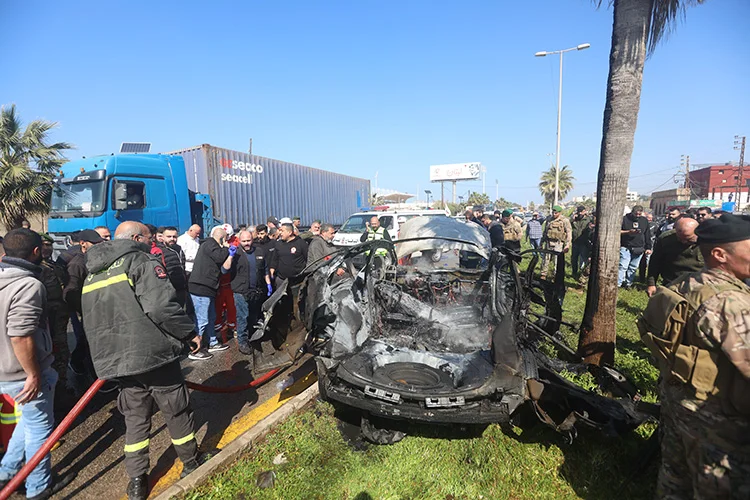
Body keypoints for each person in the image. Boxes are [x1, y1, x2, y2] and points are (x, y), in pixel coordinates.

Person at [81, 221, 202, 500]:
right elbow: (161, 306)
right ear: (136, 238)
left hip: (117, 360)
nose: (153, 242)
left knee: (135, 418)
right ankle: (191, 462)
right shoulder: (141, 261)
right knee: (175, 409)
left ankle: (137, 480)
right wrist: (189, 333)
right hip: (153, 354)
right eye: (150, 238)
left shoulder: (94, 273)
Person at [638, 213, 750, 498]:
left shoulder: (684, 284)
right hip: (717, 420)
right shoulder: (730, 303)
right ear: (719, 254)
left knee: (675, 477)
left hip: (678, 405)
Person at [0, 229, 60, 500]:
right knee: (39, 431)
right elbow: (20, 335)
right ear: (36, 252)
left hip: (5, 372)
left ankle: (6, 474)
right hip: (23, 374)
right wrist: (33, 374)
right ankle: (38, 487)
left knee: (26, 425)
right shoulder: (28, 285)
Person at [187, 225, 234, 359]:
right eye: (226, 239)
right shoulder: (209, 244)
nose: (227, 242)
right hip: (201, 287)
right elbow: (219, 258)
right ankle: (196, 349)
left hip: (209, 288)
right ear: (221, 238)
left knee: (211, 316)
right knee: (202, 319)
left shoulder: (210, 245)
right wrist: (225, 247)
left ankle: (212, 342)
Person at [63, 229, 103, 379]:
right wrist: (84, 309)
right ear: (83, 244)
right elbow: (70, 292)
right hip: (86, 311)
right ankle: (92, 376)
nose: (98, 246)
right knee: (88, 344)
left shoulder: (93, 258)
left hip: (96, 309)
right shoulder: (77, 264)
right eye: (95, 243)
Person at [39, 233, 71, 401]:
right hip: (47, 316)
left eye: (49, 245)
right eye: (43, 245)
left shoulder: (53, 265)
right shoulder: (36, 267)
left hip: (60, 314)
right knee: (53, 350)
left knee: (62, 349)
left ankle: (62, 382)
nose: (47, 248)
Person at [231, 230, 272, 355]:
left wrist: (268, 283)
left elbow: (264, 269)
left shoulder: (259, 251)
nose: (247, 243)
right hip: (241, 290)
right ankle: (242, 342)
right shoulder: (236, 253)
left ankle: (252, 337)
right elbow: (224, 269)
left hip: (256, 290)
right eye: (244, 241)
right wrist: (230, 256)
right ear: (239, 241)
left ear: (252, 240)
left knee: (253, 315)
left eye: (248, 240)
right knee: (242, 316)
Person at [646, 217, 703, 297]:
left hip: (699, 286)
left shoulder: (709, 241)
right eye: (680, 238)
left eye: (688, 239)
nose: (683, 242)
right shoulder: (666, 239)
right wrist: (651, 284)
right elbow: (655, 262)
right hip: (672, 283)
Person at [619, 205, 652, 288]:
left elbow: (647, 234)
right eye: (636, 214)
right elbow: (618, 231)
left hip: (639, 247)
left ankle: (628, 283)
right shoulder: (624, 219)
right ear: (632, 212)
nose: (637, 216)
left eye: (639, 214)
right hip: (626, 246)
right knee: (623, 266)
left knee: (633, 267)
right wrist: (628, 232)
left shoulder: (644, 220)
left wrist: (648, 247)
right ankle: (618, 284)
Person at [214, 224, 237, 336]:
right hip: (218, 282)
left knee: (231, 305)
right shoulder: (213, 247)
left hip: (229, 281)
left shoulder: (234, 244)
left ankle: (232, 325)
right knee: (218, 306)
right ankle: (218, 325)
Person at [157, 227, 189, 309]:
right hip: (169, 290)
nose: (172, 239)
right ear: (162, 237)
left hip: (182, 287)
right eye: (169, 236)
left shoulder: (179, 248)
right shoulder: (159, 251)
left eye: (174, 237)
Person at [541, 206, 572, 279]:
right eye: (553, 212)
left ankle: (556, 275)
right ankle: (543, 274)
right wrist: (541, 242)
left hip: (558, 243)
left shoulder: (564, 220)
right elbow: (545, 231)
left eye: (556, 213)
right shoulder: (549, 219)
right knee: (546, 259)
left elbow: (569, 232)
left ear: (560, 212)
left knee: (557, 260)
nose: (554, 214)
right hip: (549, 242)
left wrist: (567, 245)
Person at [570, 206, 593, 281]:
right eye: (578, 212)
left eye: (581, 212)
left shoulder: (588, 219)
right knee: (574, 259)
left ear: (584, 211)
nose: (580, 213)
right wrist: (572, 219)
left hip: (584, 243)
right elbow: (569, 226)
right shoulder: (575, 219)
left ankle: (584, 275)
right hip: (575, 242)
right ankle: (574, 273)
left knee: (584, 258)